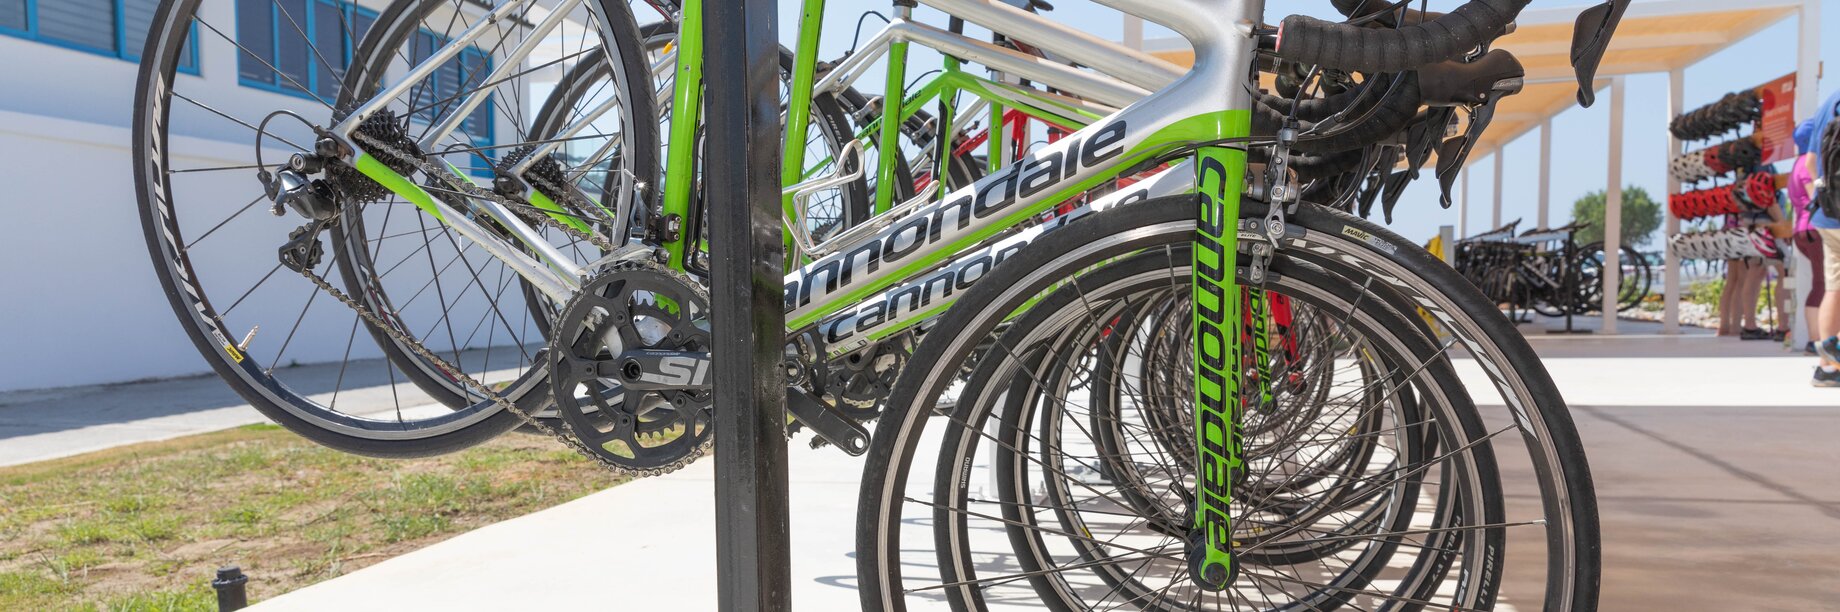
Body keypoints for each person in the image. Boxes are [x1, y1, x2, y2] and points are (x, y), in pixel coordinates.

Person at [1793, 94, 1840, 387]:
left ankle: (1828, 367)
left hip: (1828, 214)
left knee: (1834, 286)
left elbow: (1811, 163)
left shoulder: (1828, 103)